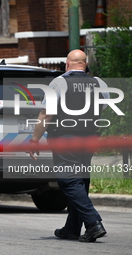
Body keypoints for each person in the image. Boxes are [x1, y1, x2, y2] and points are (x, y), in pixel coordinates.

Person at [29, 49, 108, 242]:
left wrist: (34, 140)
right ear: (85, 64)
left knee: (68, 181)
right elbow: (103, 108)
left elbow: (46, 114)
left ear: (67, 63)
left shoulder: (59, 82)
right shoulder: (99, 83)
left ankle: (93, 223)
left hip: (65, 138)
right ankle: (72, 228)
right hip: (89, 138)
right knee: (80, 180)